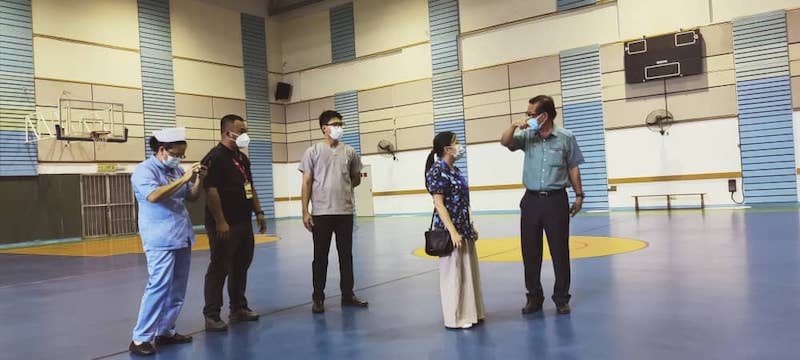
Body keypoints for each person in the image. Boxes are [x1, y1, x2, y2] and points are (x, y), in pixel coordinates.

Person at [500, 95, 585, 315]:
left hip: (556, 200)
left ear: (544, 115)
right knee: (530, 251)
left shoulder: (566, 137)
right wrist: (513, 125)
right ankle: (534, 297)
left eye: (531, 114)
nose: (527, 117)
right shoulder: (527, 136)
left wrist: (578, 196)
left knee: (559, 251)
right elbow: (505, 142)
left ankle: (561, 298)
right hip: (531, 201)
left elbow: (573, 167)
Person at [129, 127, 206, 356]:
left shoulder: (176, 170)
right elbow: (154, 196)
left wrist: (198, 180)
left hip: (181, 235)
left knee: (178, 289)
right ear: (162, 150)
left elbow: (190, 196)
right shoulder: (144, 171)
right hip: (159, 238)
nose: (179, 159)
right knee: (159, 286)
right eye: (177, 154)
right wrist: (184, 177)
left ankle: (165, 331)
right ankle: (141, 338)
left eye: (182, 155)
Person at [202, 114, 267, 331]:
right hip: (224, 223)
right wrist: (220, 220)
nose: (245, 135)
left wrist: (258, 211)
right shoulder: (215, 157)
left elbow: (250, 186)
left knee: (241, 265)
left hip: (243, 221)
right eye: (242, 130)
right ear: (228, 132)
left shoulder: (242, 158)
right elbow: (210, 190)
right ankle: (211, 314)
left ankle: (238, 307)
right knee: (220, 267)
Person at [300, 110, 368, 314]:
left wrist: (343, 187)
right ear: (324, 128)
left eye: (341, 123)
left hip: (345, 212)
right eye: (335, 123)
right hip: (321, 213)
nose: (340, 126)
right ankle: (318, 297)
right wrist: (305, 211)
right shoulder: (312, 152)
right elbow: (306, 182)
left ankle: (348, 294)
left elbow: (356, 177)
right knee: (320, 257)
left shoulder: (349, 152)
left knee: (345, 255)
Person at [424, 131, 485, 329]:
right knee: (454, 275)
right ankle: (455, 317)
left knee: (468, 273)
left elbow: (463, 202)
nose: (460, 145)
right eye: (456, 142)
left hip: (463, 227)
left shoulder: (455, 170)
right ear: (446, 149)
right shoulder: (437, 170)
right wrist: (452, 231)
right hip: (450, 231)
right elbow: (439, 204)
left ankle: (471, 312)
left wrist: (470, 226)